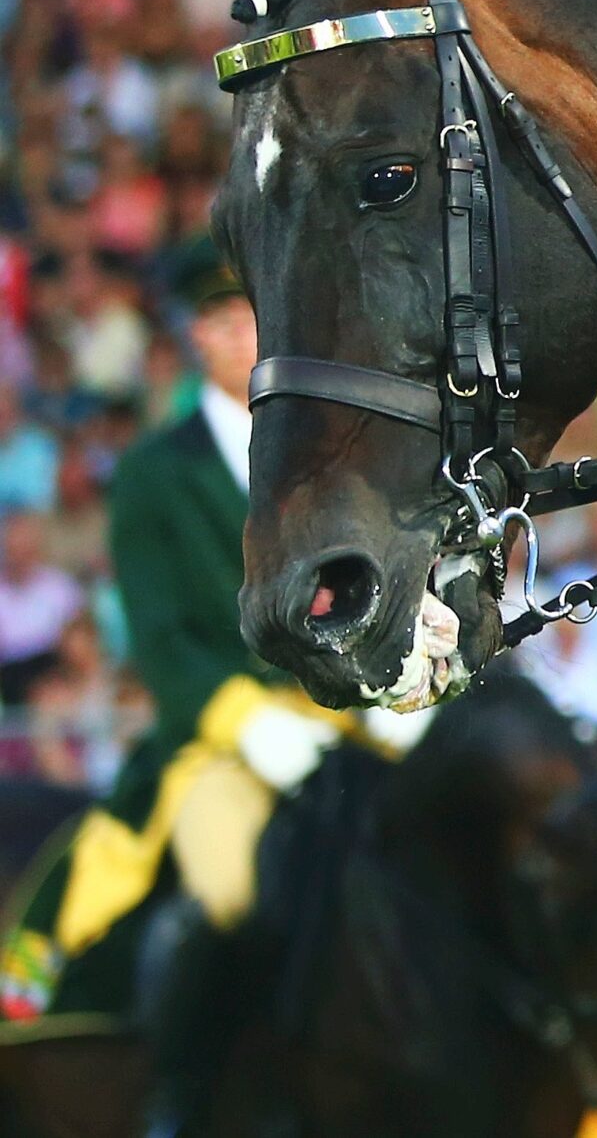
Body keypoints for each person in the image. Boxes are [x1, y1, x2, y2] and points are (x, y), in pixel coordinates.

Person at [0, 243, 398, 1121]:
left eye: (248, 314)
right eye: (217, 320)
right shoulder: (153, 472)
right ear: (194, 336)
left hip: (349, 719)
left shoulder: (336, 454)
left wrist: (386, 684)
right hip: (215, 745)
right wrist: (244, 718)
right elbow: (162, 636)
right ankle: (182, 1089)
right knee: (230, 892)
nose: (236, 332)